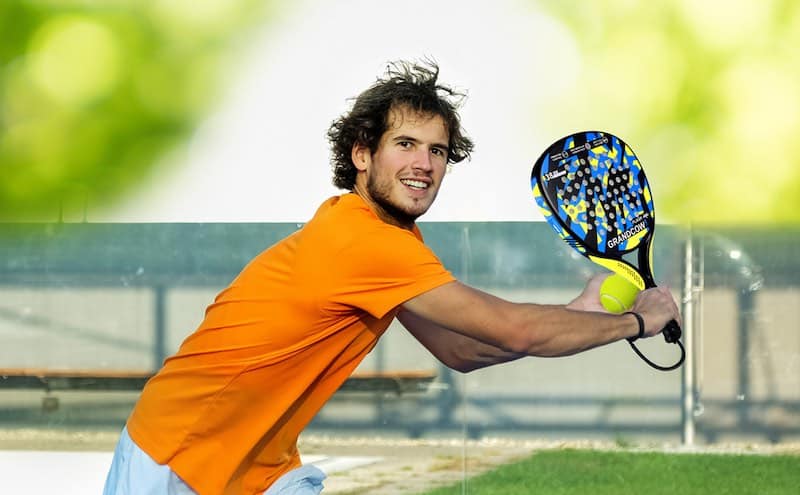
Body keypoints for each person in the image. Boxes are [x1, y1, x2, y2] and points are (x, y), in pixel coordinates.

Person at [103, 60, 681, 495]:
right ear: (361, 154)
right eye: (405, 144)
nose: (424, 165)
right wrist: (635, 321)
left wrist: (582, 312)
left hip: (250, 465)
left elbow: (459, 348)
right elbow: (514, 330)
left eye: (438, 151)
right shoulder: (363, 243)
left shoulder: (388, 239)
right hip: (177, 458)